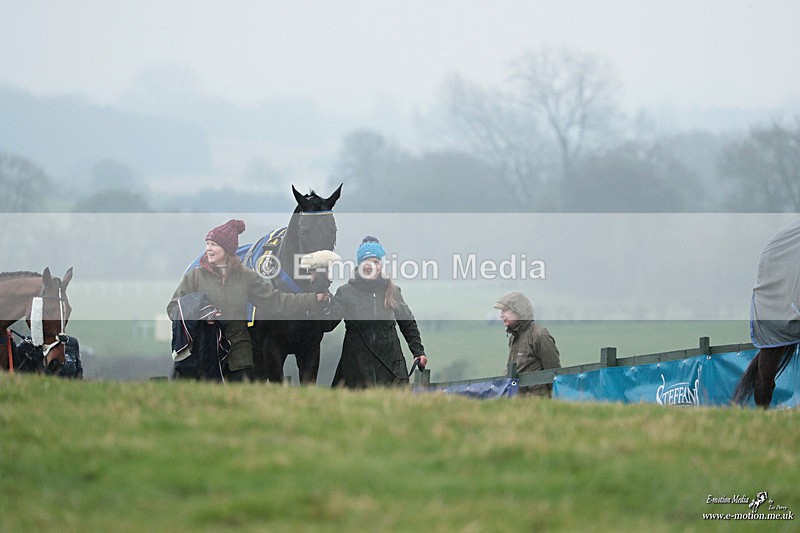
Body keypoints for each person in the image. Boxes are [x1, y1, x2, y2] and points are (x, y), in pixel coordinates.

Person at [167, 219, 329, 382]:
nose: (208, 249)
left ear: (227, 249)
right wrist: (200, 315)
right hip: (204, 356)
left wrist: (312, 299)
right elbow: (174, 309)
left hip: (239, 360)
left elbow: (277, 302)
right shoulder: (194, 277)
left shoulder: (247, 277)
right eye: (207, 244)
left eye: (214, 245)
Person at [328, 236, 427, 388]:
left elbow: (407, 323)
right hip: (355, 366)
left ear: (381, 264)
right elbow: (328, 324)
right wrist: (320, 298)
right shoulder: (345, 292)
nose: (372, 266)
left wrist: (418, 351)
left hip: (391, 365)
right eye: (367, 262)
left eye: (376, 262)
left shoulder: (393, 291)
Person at [494, 291, 561, 397]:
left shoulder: (539, 335)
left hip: (538, 402)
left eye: (505, 310)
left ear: (518, 311)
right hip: (517, 401)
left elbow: (555, 374)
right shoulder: (513, 338)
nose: (501, 315)